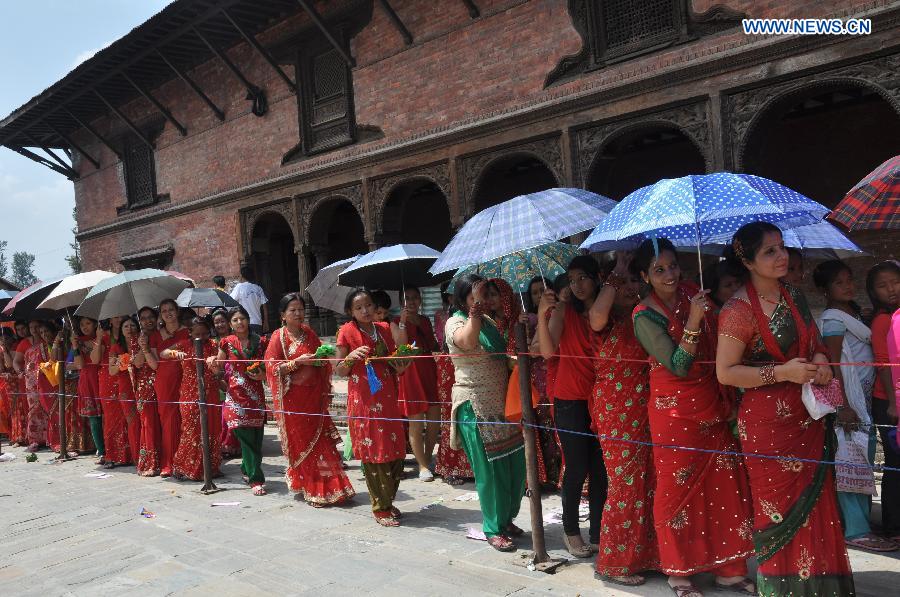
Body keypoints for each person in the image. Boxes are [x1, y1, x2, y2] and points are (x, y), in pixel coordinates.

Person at [716, 221, 854, 597]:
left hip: (807, 417)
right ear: (748, 262)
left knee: (818, 506)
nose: (782, 256)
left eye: (782, 247)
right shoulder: (737, 310)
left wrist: (821, 361)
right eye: (770, 251)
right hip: (768, 428)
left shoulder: (793, 294)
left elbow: (815, 343)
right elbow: (726, 372)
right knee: (778, 513)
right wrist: (782, 372)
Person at [632, 237, 754, 596]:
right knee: (676, 491)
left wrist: (712, 313)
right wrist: (696, 320)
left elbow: (724, 337)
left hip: (712, 402)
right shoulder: (643, 315)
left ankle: (729, 570)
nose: (669, 274)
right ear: (645, 276)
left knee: (725, 483)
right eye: (659, 270)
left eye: (672, 266)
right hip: (675, 412)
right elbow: (679, 365)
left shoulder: (691, 293)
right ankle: (679, 572)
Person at [814, 260, 896, 552]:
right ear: (825, 290)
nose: (847, 286)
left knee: (863, 459)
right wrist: (842, 405)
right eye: (839, 283)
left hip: (863, 398)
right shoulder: (833, 320)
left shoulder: (855, 314)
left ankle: (859, 523)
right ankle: (856, 530)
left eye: (849, 279)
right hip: (850, 401)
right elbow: (836, 365)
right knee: (853, 461)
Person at [587, 252, 659, 586]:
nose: (630, 287)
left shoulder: (644, 315)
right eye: (622, 282)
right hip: (616, 410)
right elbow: (596, 315)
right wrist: (615, 275)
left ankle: (647, 556)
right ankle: (614, 563)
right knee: (625, 484)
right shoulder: (605, 321)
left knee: (650, 480)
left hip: (648, 405)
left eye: (634, 280)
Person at [446, 275, 525, 551]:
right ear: (463, 298)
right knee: (490, 472)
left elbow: (498, 356)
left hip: (502, 406)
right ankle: (492, 527)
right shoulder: (455, 322)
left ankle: (506, 519)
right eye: (476, 296)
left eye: (487, 294)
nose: (483, 300)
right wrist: (474, 314)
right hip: (476, 406)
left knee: (514, 466)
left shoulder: (490, 321)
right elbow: (467, 342)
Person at [537, 256, 608, 558]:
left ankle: (598, 531)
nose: (577, 285)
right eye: (572, 279)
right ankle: (570, 531)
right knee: (577, 467)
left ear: (596, 278)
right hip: (570, 400)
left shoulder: (606, 310)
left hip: (602, 398)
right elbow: (547, 351)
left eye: (583, 278)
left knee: (601, 469)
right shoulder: (563, 310)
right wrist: (542, 314)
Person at [266, 293, 355, 505]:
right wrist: (297, 363)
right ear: (283, 315)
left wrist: (320, 359)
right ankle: (311, 486)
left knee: (320, 442)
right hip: (293, 400)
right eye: (293, 310)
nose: (298, 314)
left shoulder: (309, 333)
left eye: (301, 310)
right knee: (302, 444)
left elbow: (322, 361)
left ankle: (331, 487)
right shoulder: (278, 337)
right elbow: (271, 367)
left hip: (314, 398)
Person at [336, 289, 408, 525]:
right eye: (358, 307)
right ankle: (380, 508)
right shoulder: (346, 331)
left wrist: (401, 362)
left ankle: (388, 500)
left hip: (387, 397)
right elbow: (339, 369)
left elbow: (395, 360)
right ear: (351, 311)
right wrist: (352, 356)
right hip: (364, 400)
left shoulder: (384, 329)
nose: (365, 310)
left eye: (368, 305)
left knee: (395, 449)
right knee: (374, 451)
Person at [216, 305, 269, 496]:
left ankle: (247, 468)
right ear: (230, 324)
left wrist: (263, 375)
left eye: (242, 318)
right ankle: (256, 479)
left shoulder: (260, 342)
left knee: (256, 438)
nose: (240, 322)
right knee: (245, 438)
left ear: (248, 319)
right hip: (235, 396)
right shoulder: (226, 343)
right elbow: (218, 367)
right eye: (235, 320)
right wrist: (213, 364)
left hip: (256, 396)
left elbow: (269, 366)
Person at [867, 260, 900, 542]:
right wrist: (893, 403)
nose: (891, 289)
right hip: (888, 401)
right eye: (882, 285)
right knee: (895, 462)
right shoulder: (883, 320)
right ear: (873, 291)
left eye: (896, 282)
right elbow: (883, 364)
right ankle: (893, 523)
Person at [393, 287, 440, 481]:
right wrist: (403, 322)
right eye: (407, 298)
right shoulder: (395, 321)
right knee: (416, 421)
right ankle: (422, 465)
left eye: (415, 298)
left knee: (435, 419)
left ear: (420, 300)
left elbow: (433, 343)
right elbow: (400, 345)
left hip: (428, 368)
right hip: (411, 371)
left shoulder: (425, 320)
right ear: (401, 302)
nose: (411, 301)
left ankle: (427, 458)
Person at [522, 275, 562, 489]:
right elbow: (532, 349)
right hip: (539, 376)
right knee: (544, 424)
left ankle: (560, 472)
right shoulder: (528, 318)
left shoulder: (558, 312)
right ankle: (551, 474)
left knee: (558, 425)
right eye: (535, 293)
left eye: (542, 290)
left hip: (559, 373)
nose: (539, 295)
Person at [171, 316, 222, 481]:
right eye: (197, 334)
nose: (201, 337)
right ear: (190, 333)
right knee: (191, 430)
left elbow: (221, 366)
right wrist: (175, 353)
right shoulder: (184, 345)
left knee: (212, 428)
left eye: (205, 333)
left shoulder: (214, 345)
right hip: (189, 393)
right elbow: (163, 352)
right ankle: (183, 467)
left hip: (210, 392)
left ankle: (211, 467)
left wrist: (215, 363)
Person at [434, 285, 474, 486]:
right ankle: (450, 466)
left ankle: (471, 465)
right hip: (449, 365)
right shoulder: (445, 317)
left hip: (469, 369)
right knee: (450, 416)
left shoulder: (479, 315)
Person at [149, 299, 190, 477]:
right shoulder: (155, 335)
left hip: (185, 377)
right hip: (164, 380)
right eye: (164, 311)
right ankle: (169, 463)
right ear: (160, 314)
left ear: (177, 311)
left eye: (171, 309)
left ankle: (187, 460)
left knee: (186, 419)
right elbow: (155, 361)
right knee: (168, 421)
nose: (168, 313)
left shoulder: (188, 331)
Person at [93, 317, 128, 467]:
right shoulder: (104, 336)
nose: (118, 318)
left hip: (127, 377)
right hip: (108, 378)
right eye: (115, 315)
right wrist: (98, 338)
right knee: (111, 417)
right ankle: (112, 455)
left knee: (128, 415)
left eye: (121, 314)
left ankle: (129, 455)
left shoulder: (130, 332)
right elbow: (95, 360)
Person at [132, 307, 161, 476]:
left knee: (161, 422)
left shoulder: (160, 335)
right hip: (144, 386)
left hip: (161, 382)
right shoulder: (137, 338)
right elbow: (137, 363)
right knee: (148, 423)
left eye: (151, 317)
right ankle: (151, 462)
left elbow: (155, 364)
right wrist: (142, 346)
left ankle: (164, 460)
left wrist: (146, 347)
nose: (147, 321)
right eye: (143, 318)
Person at [110, 317, 142, 468]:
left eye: (132, 325)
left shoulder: (143, 343)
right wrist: (122, 361)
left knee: (147, 420)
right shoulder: (116, 347)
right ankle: (137, 457)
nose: (129, 329)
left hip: (144, 384)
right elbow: (111, 370)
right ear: (121, 331)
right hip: (126, 387)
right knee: (133, 422)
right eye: (126, 326)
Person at [72, 317, 104, 463]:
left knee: (107, 416)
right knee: (94, 419)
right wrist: (74, 346)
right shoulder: (78, 341)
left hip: (102, 377)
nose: (84, 327)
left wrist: (99, 338)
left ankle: (114, 449)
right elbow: (79, 365)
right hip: (87, 380)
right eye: (82, 324)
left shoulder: (104, 337)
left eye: (88, 323)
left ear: (95, 324)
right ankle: (101, 450)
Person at [211, 307, 240, 458]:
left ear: (228, 323)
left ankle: (234, 447)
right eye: (216, 322)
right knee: (222, 417)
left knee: (232, 415)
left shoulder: (236, 340)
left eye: (222, 321)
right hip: (217, 380)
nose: (220, 325)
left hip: (234, 379)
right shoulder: (212, 342)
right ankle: (223, 446)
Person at [10, 320, 32, 447]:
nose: (21, 331)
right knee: (28, 407)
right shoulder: (22, 343)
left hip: (44, 377)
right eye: (18, 330)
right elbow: (15, 362)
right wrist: (20, 371)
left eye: (23, 328)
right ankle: (31, 437)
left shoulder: (43, 340)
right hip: (26, 379)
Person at [230, 265, 269, 334]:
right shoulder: (258, 288)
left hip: (244, 323)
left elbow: (230, 301)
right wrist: (266, 322)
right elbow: (264, 307)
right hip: (258, 323)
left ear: (242, 276)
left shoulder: (239, 287)